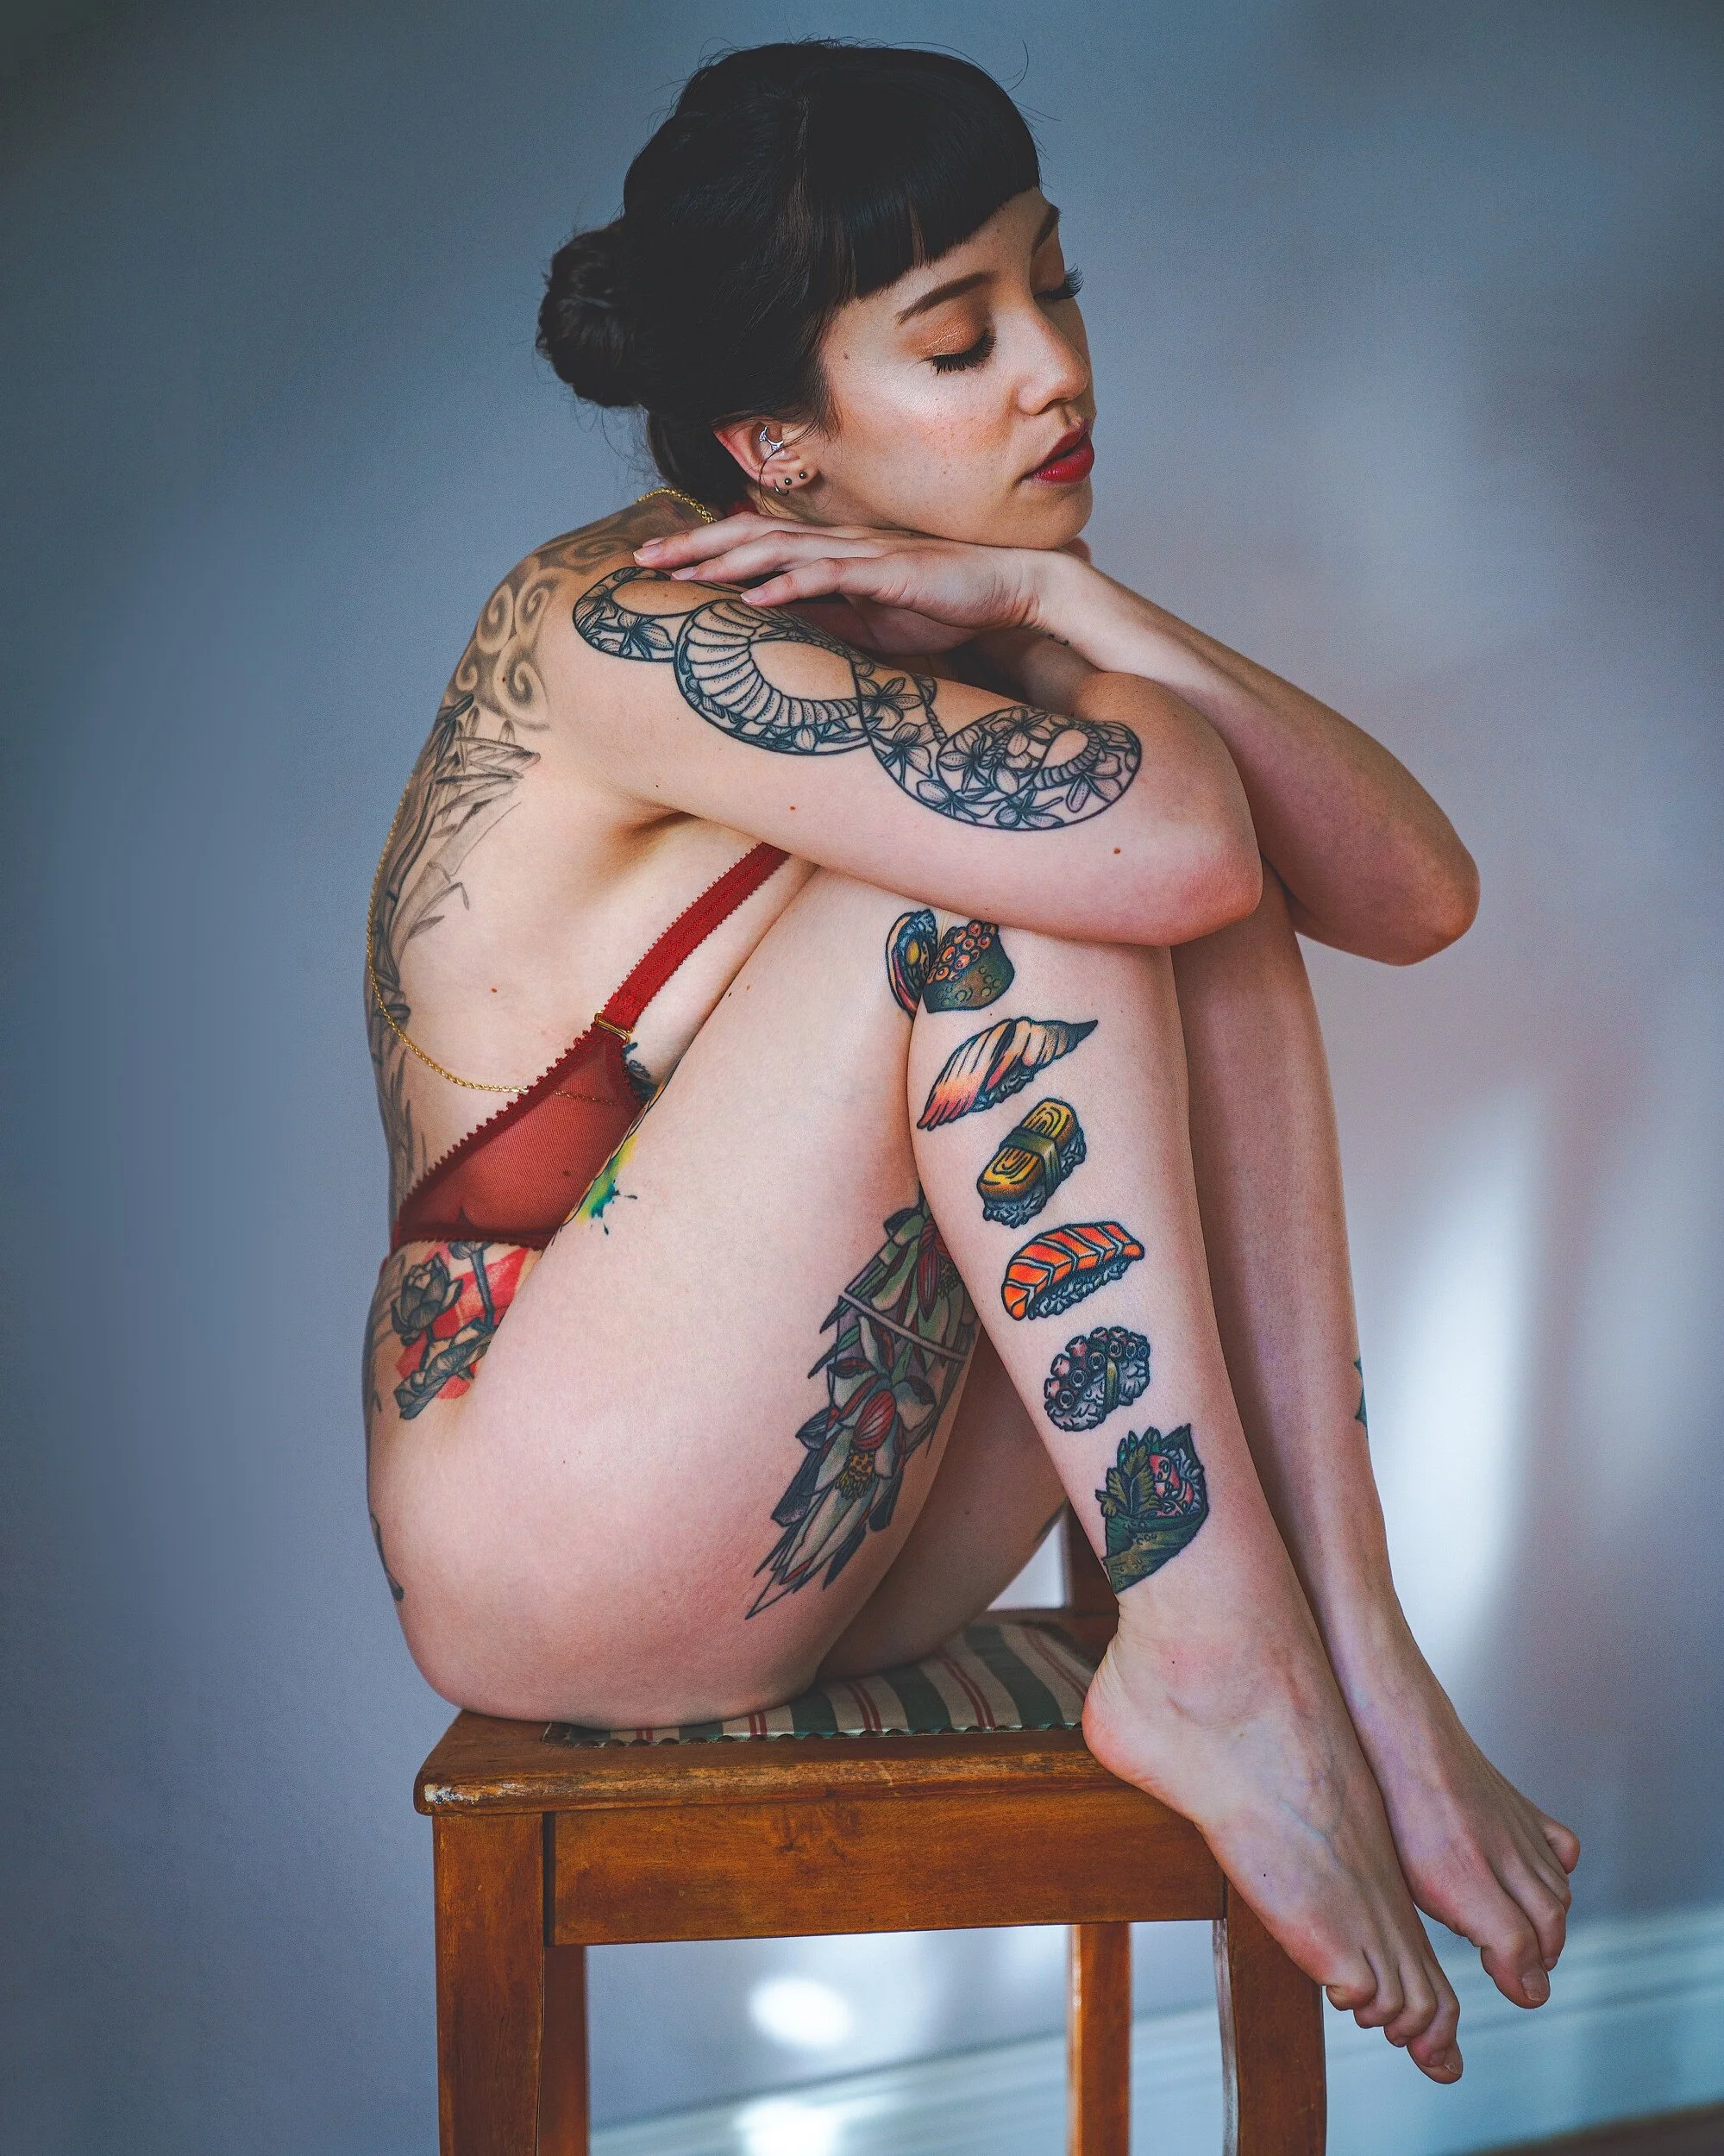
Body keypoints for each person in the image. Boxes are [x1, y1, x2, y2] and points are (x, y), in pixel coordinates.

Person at [362, 39, 1577, 2083]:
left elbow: (1415, 892)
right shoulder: (626, 622)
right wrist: (1068, 638)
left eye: (1057, 288)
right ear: (774, 441)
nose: (1055, 371)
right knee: (1071, 863)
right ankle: (1220, 1653)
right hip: (563, 1535)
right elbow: (1174, 833)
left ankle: (1352, 1651)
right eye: (959, 339)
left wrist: (1051, 593)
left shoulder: (953, 628)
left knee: (1175, 861)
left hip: (844, 1524)